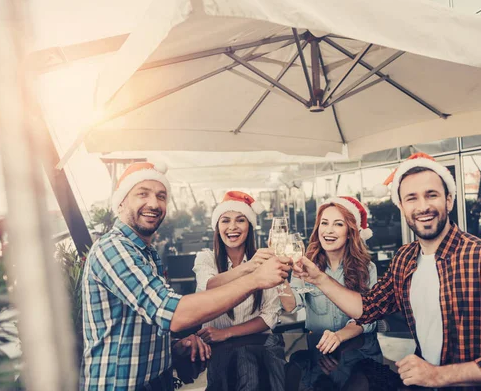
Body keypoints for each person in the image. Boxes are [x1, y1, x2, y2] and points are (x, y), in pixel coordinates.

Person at [294, 153, 481, 390]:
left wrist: (440, 375)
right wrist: (318, 278)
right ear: (402, 207)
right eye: (411, 198)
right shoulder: (405, 259)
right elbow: (367, 308)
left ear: (449, 200)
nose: (423, 206)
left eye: (432, 195)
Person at [81, 162, 289, 390]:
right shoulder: (113, 248)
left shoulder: (147, 254)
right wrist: (255, 279)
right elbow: (175, 314)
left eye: (161, 196)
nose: (154, 203)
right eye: (143, 194)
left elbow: (145, 322)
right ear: (120, 202)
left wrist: (174, 345)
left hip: (156, 381)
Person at [280, 196, 377, 354]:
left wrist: (339, 336)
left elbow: (368, 318)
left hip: (356, 352)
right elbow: (291, 306)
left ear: (350, 232)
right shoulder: (305, 265)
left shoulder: (367, 268)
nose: (329, 230)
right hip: (318, 350)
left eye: (338, 224)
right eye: (324, 223)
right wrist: (281, 278)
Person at [193, 191, 281, 343]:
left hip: (257, 347)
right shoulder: (205, 258)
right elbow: (209, 285)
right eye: (225, 221)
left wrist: (227, 332)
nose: (232, 227)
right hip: (216, 349)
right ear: (217, 227)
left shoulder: (265, 260)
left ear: (250, 226)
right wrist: (249, 267)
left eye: (240, 220)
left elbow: (270, 315)